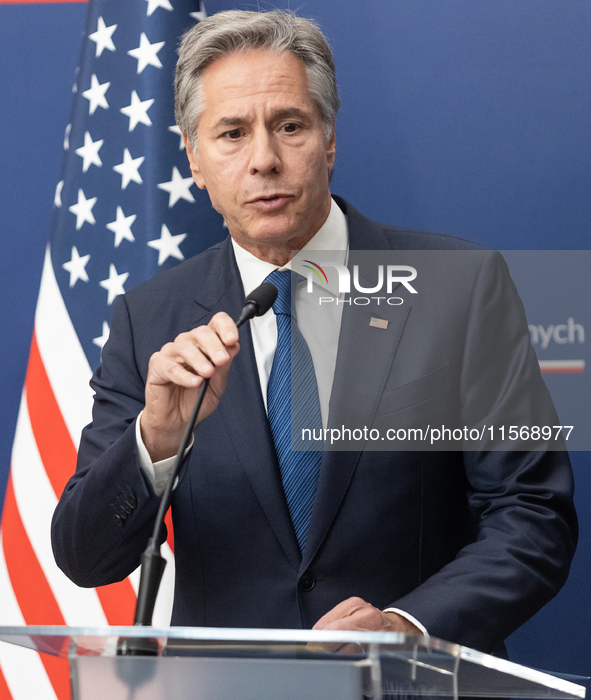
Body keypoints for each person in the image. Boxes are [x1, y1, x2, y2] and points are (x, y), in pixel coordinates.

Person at [51, 10, 577, 655]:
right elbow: (85, 557)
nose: (264, 161)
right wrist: (156, 442)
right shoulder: (149, 318)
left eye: (289, 126)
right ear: (193, 158)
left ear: (329, 140)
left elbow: (533, 514)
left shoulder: (460, 286)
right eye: (232, 134)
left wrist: (408, 628)